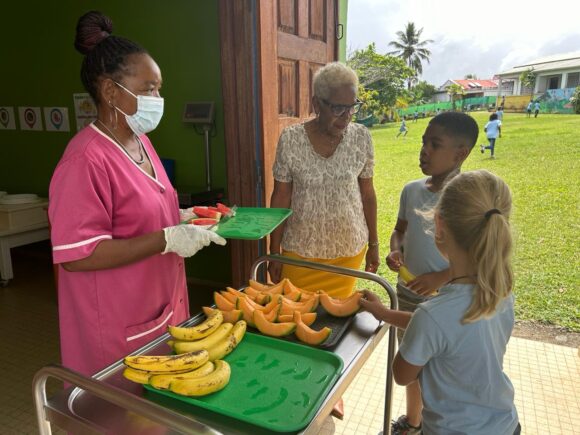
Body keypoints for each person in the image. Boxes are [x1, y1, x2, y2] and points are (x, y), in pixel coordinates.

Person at [49, 11, 226, 377]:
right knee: (121, 418)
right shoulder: (85, 160)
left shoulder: (141, 142)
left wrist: (180, 219)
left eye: (159, 88)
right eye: (148, 89)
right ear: (111, 92)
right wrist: (166, 237)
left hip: (160, 309)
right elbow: (78, 256)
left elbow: (143, 212)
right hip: (117, 325)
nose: (158, 97)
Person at [361, 169, 520, 435]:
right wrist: (385, 314)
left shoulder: (433, 315)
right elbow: (446, 330)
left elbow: (402, 375)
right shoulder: (500, 292)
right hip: (504, 425)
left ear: (439, 225)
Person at [381, 111, 479, 434]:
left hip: (443, 301)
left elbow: (477, 258)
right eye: (424, 142)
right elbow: (400, 231)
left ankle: (434, 427)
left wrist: (439, 278)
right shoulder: (411, 190)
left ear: (460, 153)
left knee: (437, 372)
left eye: (434, 144)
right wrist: (396, 249)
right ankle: (413, 422)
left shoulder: (466, 201)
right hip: (407, 293)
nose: (424, 150)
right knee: (411, 365)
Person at [268, 62, 379, 298]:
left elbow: (368, 194)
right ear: (317, 104)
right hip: (300, 252)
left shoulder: (361, 138)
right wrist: (274, 250)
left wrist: (375, 245)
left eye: (353, 107)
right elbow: (280, 197)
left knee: (335, 321)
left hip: (348, 249)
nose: (347, 116)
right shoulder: (291, 139)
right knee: (296, 316)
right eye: (339, 108)